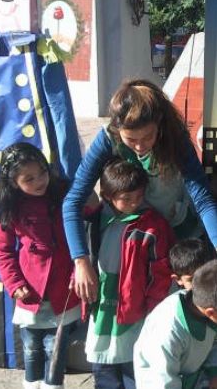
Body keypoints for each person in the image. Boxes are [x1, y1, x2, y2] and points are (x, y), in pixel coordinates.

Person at [63, 79, 217, 308]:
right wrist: (80, 261)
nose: (140, 146)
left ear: (159, 125)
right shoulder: (107, 139)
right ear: (117, 128)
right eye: (131, 139)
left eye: (148, 137)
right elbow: (73, 200)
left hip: (174, 236)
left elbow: (202, 198)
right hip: (127, 244)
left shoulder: (175, 139)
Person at [0, 142, 80, 389]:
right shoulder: (10, 209)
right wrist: (14, 283)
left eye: (42, 172)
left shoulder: (63, 196)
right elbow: (2, 250)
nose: (40, 181)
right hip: (30, 291)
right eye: (29, 178)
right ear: (13, 183)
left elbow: (87, 222)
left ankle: (53, 384)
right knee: (31, 347)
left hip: (63, 288)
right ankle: (31, 383)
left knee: (56, 347)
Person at [82, 159, 175, 388]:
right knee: (103, 365)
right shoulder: (94, 220)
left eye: (138, 197)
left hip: (135, 303)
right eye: (126, 199)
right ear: (106, 194)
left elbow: (160, 269)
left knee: (134, 363)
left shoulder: (152, 225)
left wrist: (154, 305)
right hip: (102, 301)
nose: (134, 204)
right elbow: (81, 258)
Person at [133, 260, 217, 389]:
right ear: (211, 312)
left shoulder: (208, 305)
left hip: (193, 378)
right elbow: (163, 380)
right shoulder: (167, 331)